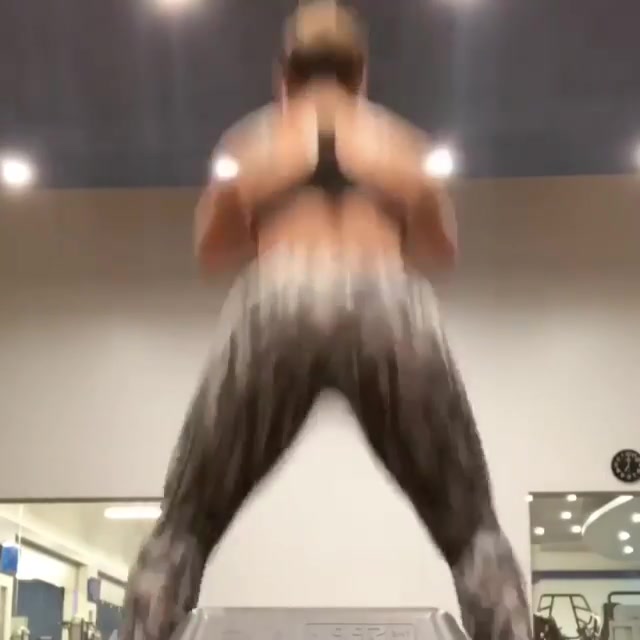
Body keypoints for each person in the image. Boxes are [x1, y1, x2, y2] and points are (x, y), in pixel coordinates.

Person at [120, 3, 532, 640]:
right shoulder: (401, 147)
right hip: (389, 303)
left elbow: (212, 251)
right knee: (472, 529)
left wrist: (269, 211)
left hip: (279, 297)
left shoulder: (254, 144)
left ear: (283, 75)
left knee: (185, 526)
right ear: (361, 74)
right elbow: (440, 250)